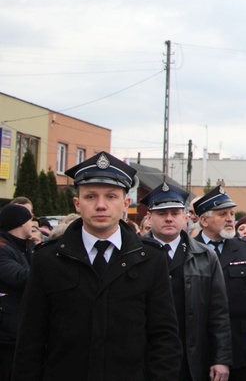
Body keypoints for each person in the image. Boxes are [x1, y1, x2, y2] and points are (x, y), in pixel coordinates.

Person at [13, 152, 181, 380]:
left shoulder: (149, 258)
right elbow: (29, 341)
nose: (100, 205)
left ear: (125, 203)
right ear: (77, 203)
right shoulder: (49, 259)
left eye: (111, 197)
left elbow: (164, 338)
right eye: (90, 197)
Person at [141, 182, 232, 381]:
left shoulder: (205, 255)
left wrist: (221, 358)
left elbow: (218, 313)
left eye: (175, 213)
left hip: (192, 356)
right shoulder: (134, 254)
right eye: (161, 213)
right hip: (146, 356)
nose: (168, 218)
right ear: (149, 217)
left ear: (185, 216)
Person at [194, 185, 246, 380]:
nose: (230, 219)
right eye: (222, 214)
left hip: (241, 347)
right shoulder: (189, 251)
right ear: (203, 220)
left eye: (231, 213)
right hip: (198, 345)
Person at [0, 204, 33, 381]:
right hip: (7, 333)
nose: (33, 223)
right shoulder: (3, 249)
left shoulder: (24, 247)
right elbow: (19, 277)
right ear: (20, 223)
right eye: (30, 219)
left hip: (18, 330)